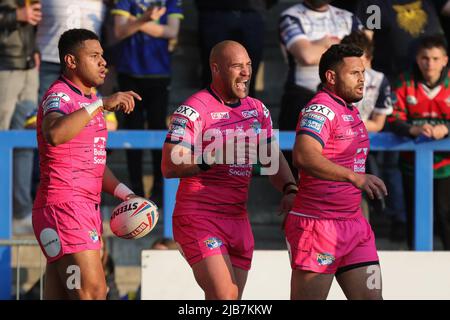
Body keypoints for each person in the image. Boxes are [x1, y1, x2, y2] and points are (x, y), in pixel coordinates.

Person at [161, 40, 297, 300]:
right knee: (225, 296)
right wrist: (211, 157)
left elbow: (272, 158)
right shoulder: (193, 109)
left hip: (237, 218)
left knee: (230, 300)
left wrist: (290, 187)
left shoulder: (257, 110)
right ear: (216, 69)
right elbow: (169, 164)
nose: (246, 72)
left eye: (248, 65)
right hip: (198, 216)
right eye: (237, 66)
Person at [32, 28, 141, 300]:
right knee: (93, 292)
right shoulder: (60, 96)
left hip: (80, 209)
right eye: (94, 56)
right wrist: (101, 104)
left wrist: (126, 194)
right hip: (65, 207)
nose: (103, 62)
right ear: (71, 61)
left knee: (63, 296)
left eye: (103, 56)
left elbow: (94, 162)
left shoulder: (90, 101)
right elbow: (55, 133)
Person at [286, 44, 387, 300]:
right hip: (319, 226)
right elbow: (303, 155)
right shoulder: (320, 109)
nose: (363, 79)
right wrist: (355, 177)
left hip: (354, 225)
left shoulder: (350, 110)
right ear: (331, 77)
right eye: (354, 73)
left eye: (363, 72)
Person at [278, 0, 364, 177]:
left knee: (349, 159)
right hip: (301, 97)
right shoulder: (291, 16)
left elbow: (362, 55)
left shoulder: (349, 17)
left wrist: (321, 44)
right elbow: (306, 56)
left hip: (343, 99)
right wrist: (340, 48)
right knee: (300, 166)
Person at [112, 0, 183, 205]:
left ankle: (159, 191)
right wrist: (145, 19)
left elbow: (171, 31)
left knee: (158, 132)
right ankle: (135, 192)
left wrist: (134, 23)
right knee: (132, 132)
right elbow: (119, 31)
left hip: (158, 74)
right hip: (129, 73)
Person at [389, 34, 450, 250]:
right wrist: (412, 129)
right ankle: (416, 270)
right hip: (411, 164)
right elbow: (392, 117)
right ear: (417, 58)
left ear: (445, 60)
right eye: (425, 58)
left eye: (435, 58)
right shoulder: (404, 81)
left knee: (446, 218)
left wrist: (447, 128)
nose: (429, 64)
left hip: (447, 167)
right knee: (415, 219)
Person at [0, 0, 41, 233]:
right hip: (4, 67)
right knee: (2, 138)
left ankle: (20, 210)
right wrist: (16, 14)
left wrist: (33, 49)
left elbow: (27, 25)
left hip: (27, 66)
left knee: (25, 140)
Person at [195, 0, 278, 97]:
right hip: (214, 10)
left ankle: (246, 108)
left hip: (252, 12)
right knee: (212, 70)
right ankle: (209, 107)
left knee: (249, 70)